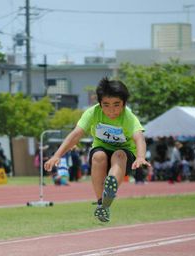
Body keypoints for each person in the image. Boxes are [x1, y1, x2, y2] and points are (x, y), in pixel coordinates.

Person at [44, 77, 150, 223]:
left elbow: (139, 138)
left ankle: (111, 184)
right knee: (98, 156)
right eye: (106, 105)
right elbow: (75, 135)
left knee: (118, 154)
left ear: (124, 104)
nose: (111, 110)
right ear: (100, 104)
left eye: (116, 105)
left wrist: (140, 157)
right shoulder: (92, 113)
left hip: (124, 152)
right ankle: (102, 203)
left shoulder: (128, 117)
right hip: (101, 148)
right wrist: (57, 155)